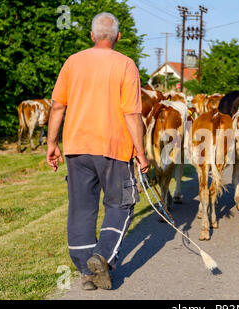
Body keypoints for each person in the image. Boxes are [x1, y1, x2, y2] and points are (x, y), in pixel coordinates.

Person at [46, 12, 149, 290]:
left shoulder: (72, 62)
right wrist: (140, 152)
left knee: (81, 208)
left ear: (92, 36)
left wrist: (51, 144)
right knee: (122, 204)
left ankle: (85, 272)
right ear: (117, 37)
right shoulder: (126, 65)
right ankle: (102, 257)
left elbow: (58, 106)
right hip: (114, 148)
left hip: (77, 148)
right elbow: (132, 113)